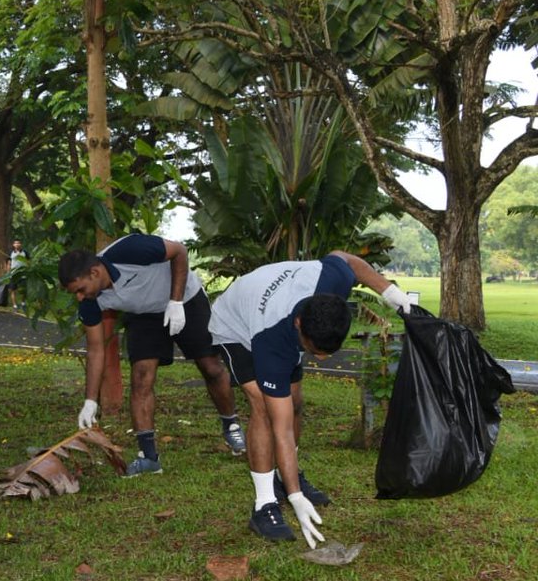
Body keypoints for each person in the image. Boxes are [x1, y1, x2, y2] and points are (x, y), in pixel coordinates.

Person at [208, 251, 413, 548]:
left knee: (296, 403)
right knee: (266, 411)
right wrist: (296, 497)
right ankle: (264, 504)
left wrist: (391, 293)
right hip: (236, 327)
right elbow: (282, 429)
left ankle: (286, 474)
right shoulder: (272, 340)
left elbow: (346, 259)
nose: (321, 358)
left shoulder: (331, 282)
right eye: (315, 351)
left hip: (279, 314)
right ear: (300, 325)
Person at [58, 233, 247, 477]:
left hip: (184, 298)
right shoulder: (90, 302)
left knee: (210, 366)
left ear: (94, 273)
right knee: (141, 377)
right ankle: (149, 458)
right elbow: (96, 350)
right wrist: (90, 401)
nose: (79, 297)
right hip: (144, 313)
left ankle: (230, 425)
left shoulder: (130, 250)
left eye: (81, 290)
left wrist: (175, 302)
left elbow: (179, 250)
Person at [6, 239, 27, 310]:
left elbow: (29, 262)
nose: (17, 244)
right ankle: (15, 305)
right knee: (13, 290)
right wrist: (8, 273)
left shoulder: (25, 252)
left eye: (19, 243)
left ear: (21, 244)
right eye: (16, 243)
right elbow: (9, 264)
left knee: (24, 290)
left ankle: (23, 303)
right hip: (13, 274)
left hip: (23, 274)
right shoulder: (10, 253)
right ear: (13, 245)